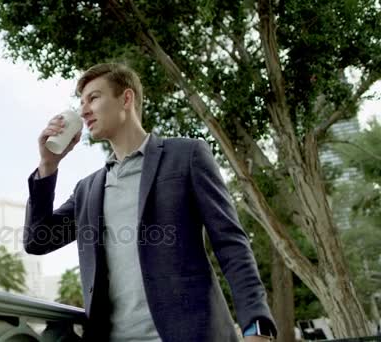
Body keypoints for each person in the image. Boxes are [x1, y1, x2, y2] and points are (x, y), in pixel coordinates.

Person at [24, 63, 277, 341]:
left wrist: (257, 326)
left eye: (94, 98)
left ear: (126, 98)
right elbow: (38, 240)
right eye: (81, 102)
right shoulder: (88, 190)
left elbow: (231, 244)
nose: (83, 110)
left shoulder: (187, 156)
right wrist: (48, 166)